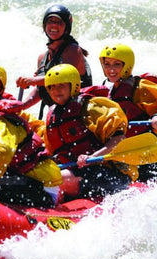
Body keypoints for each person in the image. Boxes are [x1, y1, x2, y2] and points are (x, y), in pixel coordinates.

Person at [43, 64, 135, 199]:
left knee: (58, 178)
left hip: (110, 173)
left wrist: (93, 157)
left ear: (73, 86)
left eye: (61, 85)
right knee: (45, 176)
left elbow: (119, 139)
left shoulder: (91, 108)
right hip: (77, 171)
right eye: (52, 87)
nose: (56, 91)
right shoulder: (53, 115)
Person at [99, 43, 157, 182]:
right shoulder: (106, 90)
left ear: (127, 66)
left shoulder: (141, 87)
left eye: (117, 64)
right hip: (124, 155)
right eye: (107, 64)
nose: (111, 69)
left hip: (153, 156)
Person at [16, 4, 92, 114]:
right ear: (44, 25)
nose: (54, 25)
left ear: (66, 27)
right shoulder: (42, 58)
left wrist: (32, 80)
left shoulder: (73, 50)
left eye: (59, 22)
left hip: (79, 113)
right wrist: (21, 106)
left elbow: (62, 78)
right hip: (59, 116)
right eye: (50, 21)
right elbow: (40, 89)